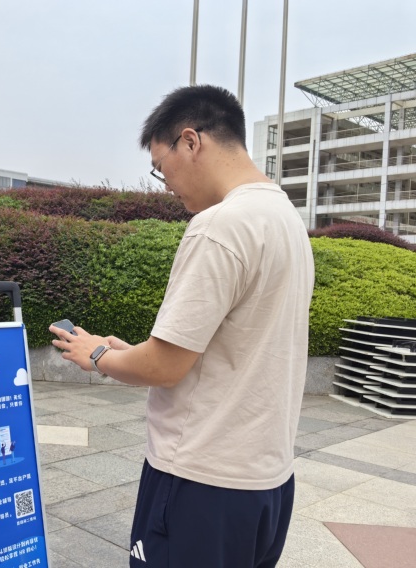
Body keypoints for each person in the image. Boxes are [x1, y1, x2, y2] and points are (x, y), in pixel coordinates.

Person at [50, 85, 314, 568]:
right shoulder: (284, 217)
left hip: (201, 480)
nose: (165, 185)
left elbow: (166, 367)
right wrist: (130, 352)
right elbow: (225, 348)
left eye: (160, 166)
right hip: (266, 481)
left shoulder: (220, 226)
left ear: (190, 141)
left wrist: (98, 355)